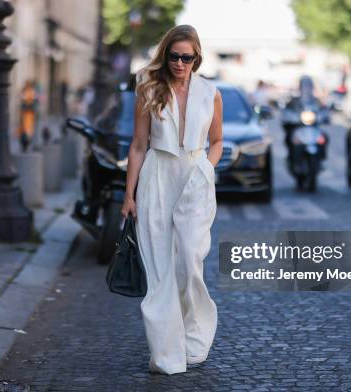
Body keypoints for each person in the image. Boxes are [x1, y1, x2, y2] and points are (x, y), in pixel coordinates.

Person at [121, 24, 223, 375]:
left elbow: (218, 142)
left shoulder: (210, 93)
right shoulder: (149, 88)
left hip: (195, 179)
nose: (180, 63)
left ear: (197, 58)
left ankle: (195, 336)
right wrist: (128, 194)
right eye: (174, 56)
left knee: (190, 262)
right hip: (157, 177)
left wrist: (205, 170)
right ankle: (166, 352)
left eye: (187, 57)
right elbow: (137, 145)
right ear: (166, 55)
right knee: (162, 270)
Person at [16, 80, 40, 147]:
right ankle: (26, 140)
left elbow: (34, 101)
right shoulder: (30, 92)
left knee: (28, 128)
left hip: (29, 113)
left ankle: (27, 140)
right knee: (27, 128)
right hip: (27, 113)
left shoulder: (30, 92)